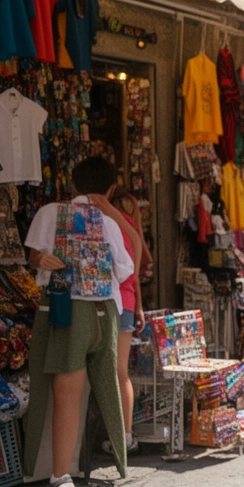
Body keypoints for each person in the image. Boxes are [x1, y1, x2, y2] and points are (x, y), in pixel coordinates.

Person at [23, 156, 134, 487]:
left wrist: (41, 261)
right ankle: (119, 457)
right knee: (108, 385)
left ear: (72, 185)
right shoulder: (109, 222)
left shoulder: (50, 213)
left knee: (65, 391)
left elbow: (33, 257)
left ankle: (60, 475)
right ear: (110, 189)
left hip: (67, 308)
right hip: (106, 312)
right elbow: (127, 268)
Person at [95, 182, 146, 458]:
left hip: (106, 300)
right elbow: (134, 272)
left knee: (106, 371)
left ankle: (118, 435)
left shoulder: (108, 220)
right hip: (126, 301)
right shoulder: (126, 224)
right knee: (120, 371)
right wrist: (139, 305)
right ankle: (125, 435)